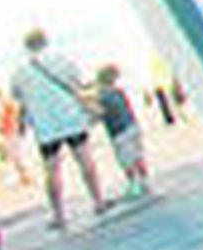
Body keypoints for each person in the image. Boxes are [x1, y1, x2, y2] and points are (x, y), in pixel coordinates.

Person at [8, 28, 108, 229]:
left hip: (46, 127)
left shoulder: (20, 71)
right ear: (46, 41)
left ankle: (59, 215)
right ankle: (98, 201)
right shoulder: (62, 60)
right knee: (85, 160)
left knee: (51, 171)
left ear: (26, 46)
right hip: (71, 119)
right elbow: (78, 83)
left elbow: (17, 97)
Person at [94, 65, 149, 198]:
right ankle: (145, 181)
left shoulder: (103, 96)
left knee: (126, 160)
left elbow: (101, 114)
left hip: (119, 132)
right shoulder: (119, 91)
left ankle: (133, 185)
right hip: (133, 126)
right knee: (138, 156)